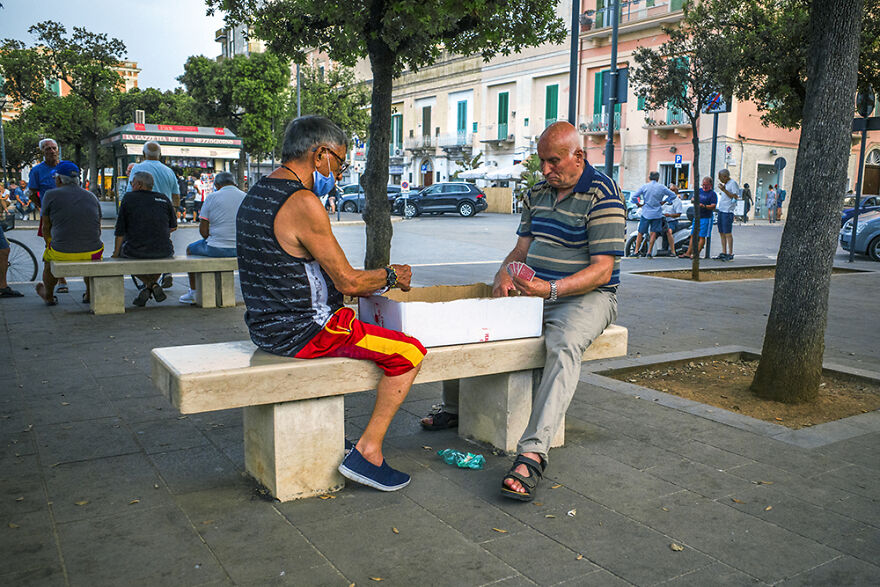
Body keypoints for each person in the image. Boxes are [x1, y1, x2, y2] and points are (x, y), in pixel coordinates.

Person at [422, 121, 625, 502]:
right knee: (473, 316)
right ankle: (455, 407)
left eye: (553, 162)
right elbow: (521, 251)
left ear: (578, 156)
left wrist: (551, 289)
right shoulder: (537, 193)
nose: (546, 170)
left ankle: (532, 452)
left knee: (563, 346)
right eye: (542, 162)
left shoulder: (603, 194)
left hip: (588, 297)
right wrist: (503, 275)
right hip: (537, 291)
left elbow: (603, 269)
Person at [237, 115, 426, 492]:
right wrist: (392, 276)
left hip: (265, 328)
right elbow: (349, 281)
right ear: (320, 154)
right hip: (306, 331)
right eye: (338, 163)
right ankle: (368, 452)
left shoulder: (258, 192)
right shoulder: (302, 200)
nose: (338, 174)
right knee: (409, 352)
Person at [34, 162, 103, 305]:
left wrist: (50, 243)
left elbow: (46, 227)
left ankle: (49, 296)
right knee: (91, 258)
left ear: (59, 179)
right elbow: (98, 227)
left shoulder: (50, 195)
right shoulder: (92, 196)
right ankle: (89, 294)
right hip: (93, 252)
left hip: (61, 252)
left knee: (48, 260)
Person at [179, 172, 245, 304]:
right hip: (241, 249)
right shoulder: (246, 197)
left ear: (217, 185)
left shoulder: (211, 198)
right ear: (235, 183)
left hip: (216, 248)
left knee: (190, 249)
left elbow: (203, 232)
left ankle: (193, 292)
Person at [112, 171, 177, 306]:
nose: (131, 185)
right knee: (159, 252)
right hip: (164, 251)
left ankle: (149, 284)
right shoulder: (164, 198)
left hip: (136, 251)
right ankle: (152, 285)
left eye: (132, 183)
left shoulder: (129, 198)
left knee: (126, 255)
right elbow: (173, 226)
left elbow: (120, 231)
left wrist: (115, 253)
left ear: (139, 185)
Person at [631, 171, 675, 258]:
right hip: (657, 213)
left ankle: (636, 251)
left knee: (640, 232)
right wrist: (665, 201)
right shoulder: (662, 187)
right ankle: (649, 252)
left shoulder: (645, 186)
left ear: (649, 178)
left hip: (646, 212)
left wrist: (638, 204)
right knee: (653, 233)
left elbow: (634, 197)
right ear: (658, 178)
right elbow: (673, 195)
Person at [679, 177, 717, 259]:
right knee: (693, 235)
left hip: (706, 217)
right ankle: (688, 253)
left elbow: (713, 206)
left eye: (706, 185)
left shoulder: (712, 194)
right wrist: (694, 201)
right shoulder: (699, 191)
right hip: (697, 216)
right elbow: (692, 199)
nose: (704, 187)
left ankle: (696, 254)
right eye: (703, 185)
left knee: (702, 236)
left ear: (710, 185)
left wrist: (704, 206)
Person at [715, 169, 740, 261]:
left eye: (720, 177)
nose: (719, 179)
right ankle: (724, 252)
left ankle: (730, 253)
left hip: (728, 211)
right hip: (722, 210)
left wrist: (724, 190)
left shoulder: (733, 183)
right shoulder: (726, 184)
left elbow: (735, 196)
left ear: (725, 176)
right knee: (721, 232)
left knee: (727, 233)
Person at [660, 183, 684, 256]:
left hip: (672, 221)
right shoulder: (665, 199)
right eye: (670, 190)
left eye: (673, 190)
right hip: (662, 220)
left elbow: (678, 214)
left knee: (668, 231)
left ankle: (673, 251)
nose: (671, 192)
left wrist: (669, 215)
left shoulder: (677, 201)